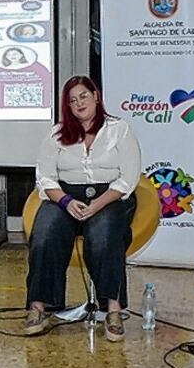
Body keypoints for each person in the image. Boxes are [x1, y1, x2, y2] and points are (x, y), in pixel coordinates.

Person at [26, 75, 142, 342]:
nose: (79, 103)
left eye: (84, 96)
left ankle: (112, 309)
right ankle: (39, 306)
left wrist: (96, 205)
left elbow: (129, 178)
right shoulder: (56, 134)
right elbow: (45, 178)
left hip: (109, 196)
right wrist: (66, 201)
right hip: (65, 197)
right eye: (72, 100)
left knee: (103, 235)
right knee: (44, 233)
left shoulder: (119, 129)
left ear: (96, 97)